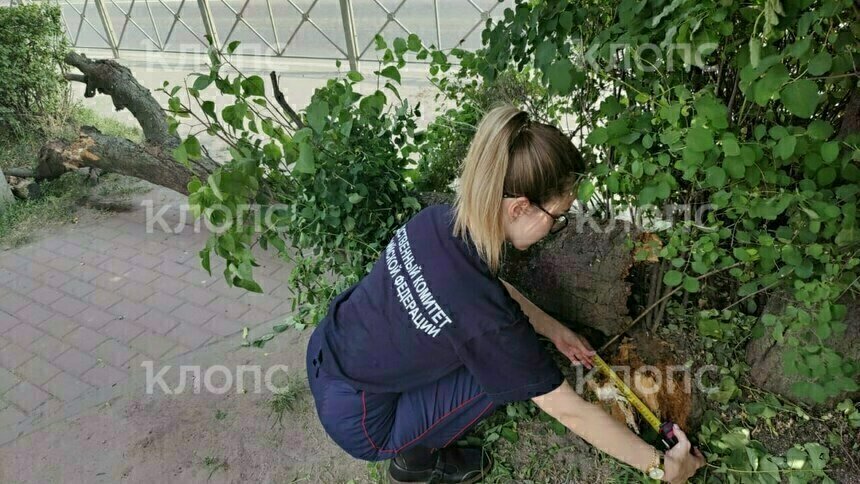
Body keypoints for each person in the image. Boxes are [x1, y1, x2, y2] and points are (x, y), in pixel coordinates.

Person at [306, 105, 705, 483]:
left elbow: (488, 289)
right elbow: (570, 411)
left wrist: (555, 330)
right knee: (497, 375)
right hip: (362, 422)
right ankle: (415, 462)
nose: (556, 227)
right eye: (558, 216)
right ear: (519, 208)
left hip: (326, 348)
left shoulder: (437, 222)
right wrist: (661, 467)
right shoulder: (488, 320)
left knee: (485, 352)